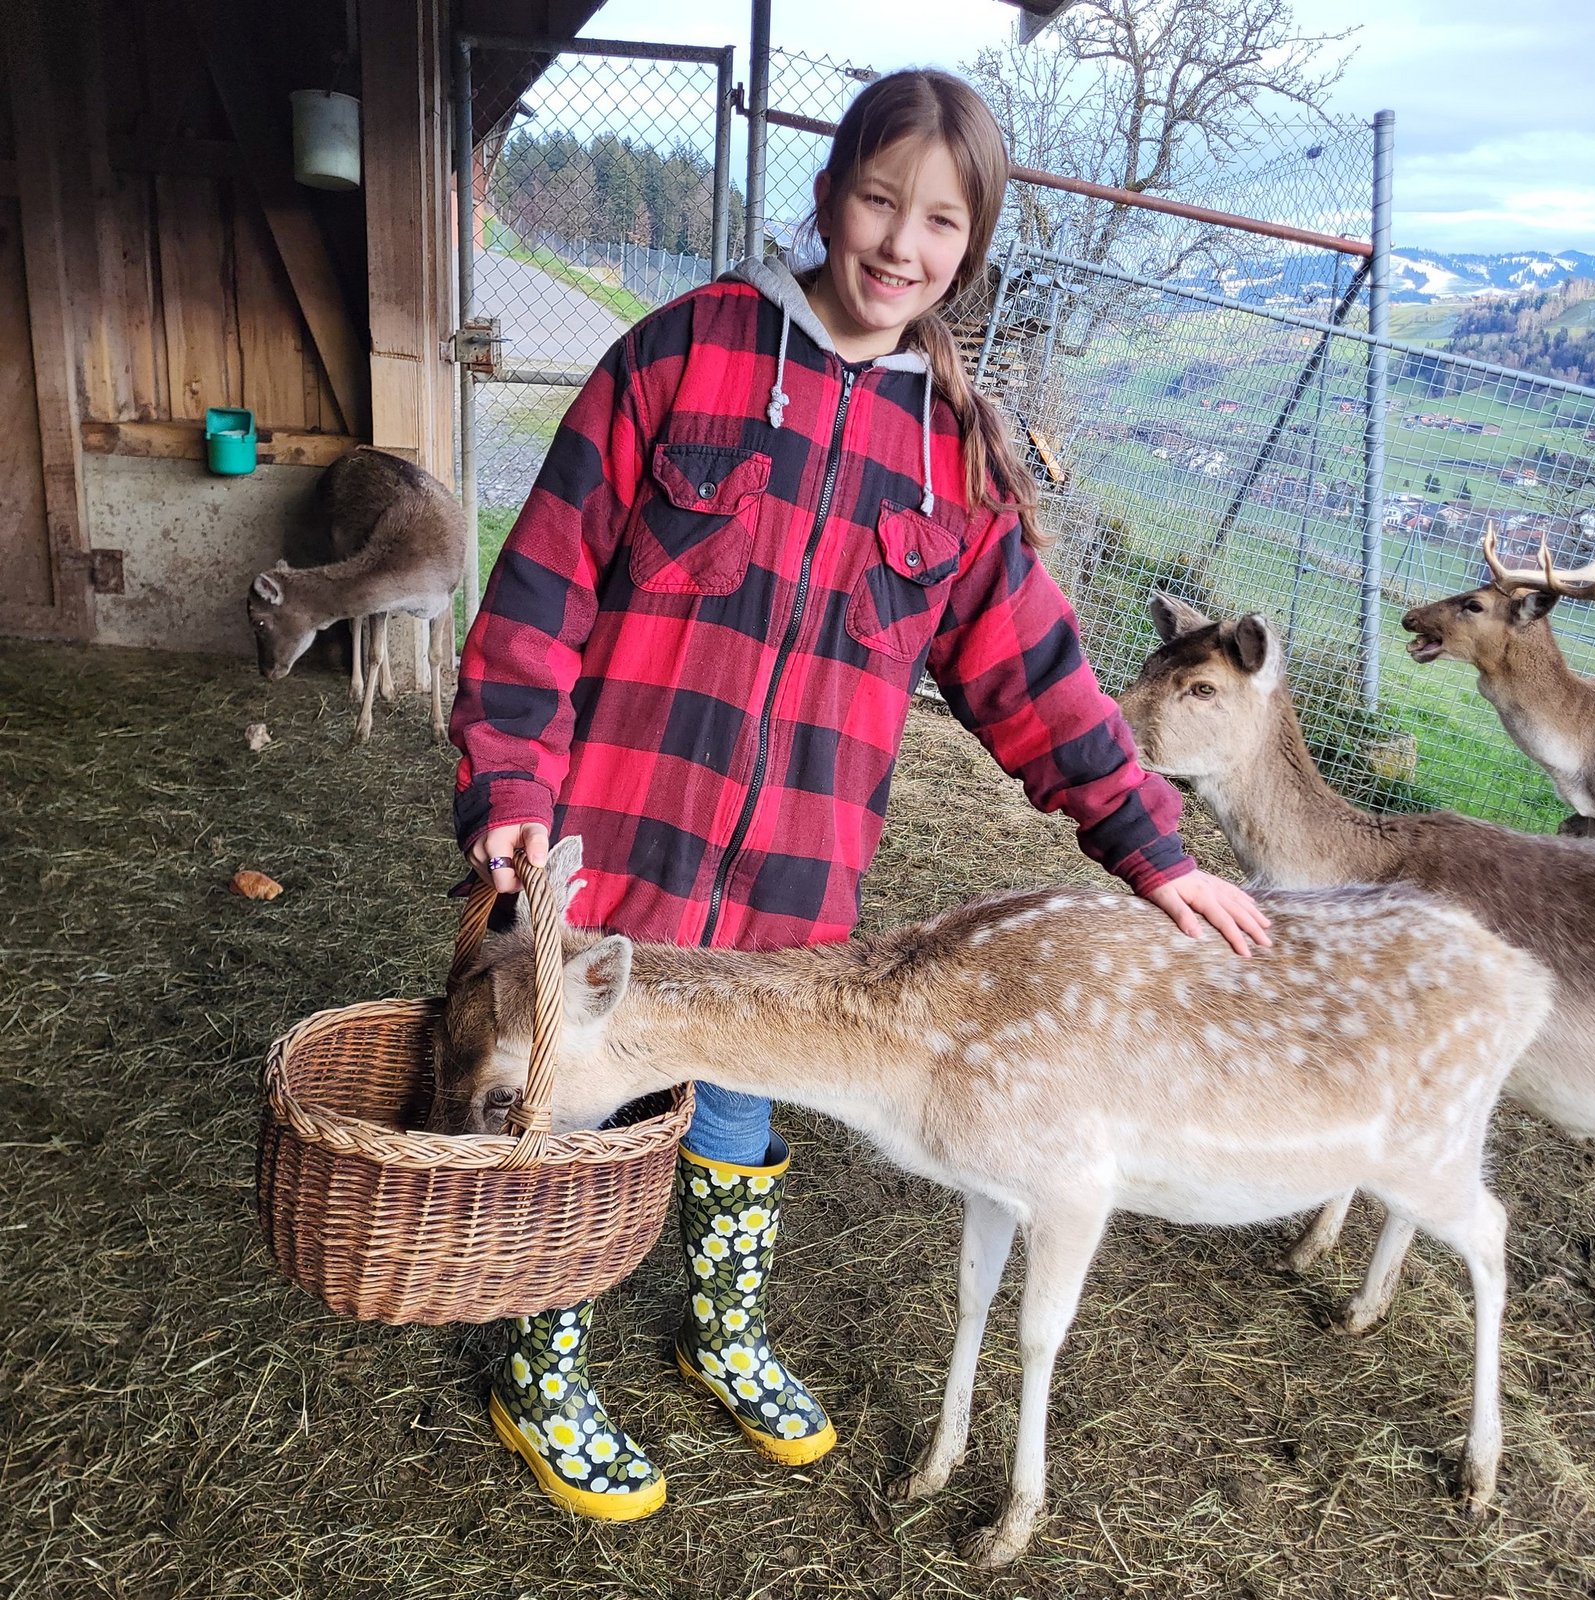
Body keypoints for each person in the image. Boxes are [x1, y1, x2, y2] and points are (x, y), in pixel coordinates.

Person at [448, 67, 1270, 1521]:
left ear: (973, 245)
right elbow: (538, 595)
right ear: (828, 195)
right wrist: (511, 781)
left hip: (791, 891)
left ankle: (720, 1333)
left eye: (941, 222)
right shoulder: (680, 355)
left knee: (738, 1111)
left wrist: (1154, 847)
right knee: (576, 1120)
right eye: (880, 200)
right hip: (612, 861)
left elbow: (1037, 677)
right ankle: (543, 1367)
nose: (900, 243)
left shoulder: (958, 453)